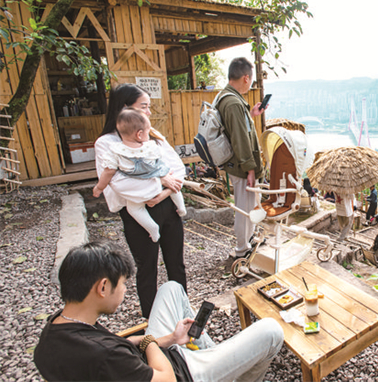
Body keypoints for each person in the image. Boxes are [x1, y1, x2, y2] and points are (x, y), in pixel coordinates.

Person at [34, 241, 283, 382]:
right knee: (272, 330)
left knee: (171, 288)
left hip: (161, 355)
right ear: (102, 287)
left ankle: (215, 355)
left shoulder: (56, 330)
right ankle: (222, 367)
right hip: (183, 374)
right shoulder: (106, 356)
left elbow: (122, 345)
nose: (125, 291)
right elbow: (166, 379)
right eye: (122, 284)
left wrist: (171, 339)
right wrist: (152, 342)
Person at [95, 83, 186, 319]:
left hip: (168, 206)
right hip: (138, 214)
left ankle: (183, 311)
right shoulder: (107, 143)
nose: (148, 112)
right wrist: (161, 180)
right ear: (125, 109)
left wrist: (165, 191)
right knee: (147, 270)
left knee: (176, 263)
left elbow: (178, 169)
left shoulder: (152, 135)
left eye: (149, 107)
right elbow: (120, 185)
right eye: (143, 107)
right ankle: (154, 321)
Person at [93, 109, 186, 242]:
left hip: (138, 192)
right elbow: (164, 161)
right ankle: (181, 208)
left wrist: (99, 188)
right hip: (158, 181)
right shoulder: (150, 146)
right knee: (172, 181)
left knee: (134, 209)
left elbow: (108, 172)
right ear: (139, 134)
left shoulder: (115, 150)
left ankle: (152, 229)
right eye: (148, 132)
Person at [217, 57, 266, 258]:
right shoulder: (233, 103)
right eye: (251, 80)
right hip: (241, 166)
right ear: (246, 78)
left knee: (249, 206)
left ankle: (250, 241)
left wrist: (252, 114)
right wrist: (250, 169)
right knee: (244, 211)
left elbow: (237, 128)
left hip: (239, 164)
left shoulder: (227, 97)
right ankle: (241, 250)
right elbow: (239, 138)